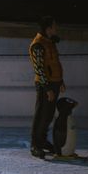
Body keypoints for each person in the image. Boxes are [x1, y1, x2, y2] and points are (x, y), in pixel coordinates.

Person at [29, 16, 66, 159]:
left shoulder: (49, 42)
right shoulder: (38, 44)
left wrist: (60, 80)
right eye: (54, 26)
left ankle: (42, 140)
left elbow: (54, 63)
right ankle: (35, 145)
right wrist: (48, 88)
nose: (56, 29)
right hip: (46, 85)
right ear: (48, 28)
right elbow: (39, 69)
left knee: (48, 115)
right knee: (41, 115)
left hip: (54, 83)